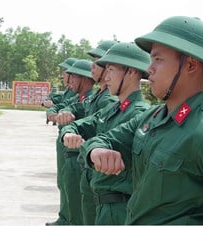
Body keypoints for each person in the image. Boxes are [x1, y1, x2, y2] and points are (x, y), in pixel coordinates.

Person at [81, 16, 203, 224]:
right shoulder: (151, 118)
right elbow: (104, 140)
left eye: (158, 59)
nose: (149, 68)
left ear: (190, 65)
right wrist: (96, 151)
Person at [61, 42, 151, 225]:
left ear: (131, 72)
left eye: (111, 70)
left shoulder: (139, 113)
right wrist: (68, 132)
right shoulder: (112, 110)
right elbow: (80, 125)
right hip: (101, 201)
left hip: (120, 207)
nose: (106, 77)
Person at [55, 40, 117, 225]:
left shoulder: (109, 101)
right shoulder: (99, 97)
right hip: (84, 161)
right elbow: (81, 113)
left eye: (98, 61)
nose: (93, 66)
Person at [46, 59, 95, 225]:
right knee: (67, 190)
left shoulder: (99, 99)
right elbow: (67, 106)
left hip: (80, 156)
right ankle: (64, 218)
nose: (69, 80)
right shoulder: (83, 98)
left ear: (85, 78)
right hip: (72, 153)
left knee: (78, 203)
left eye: (74, 77)